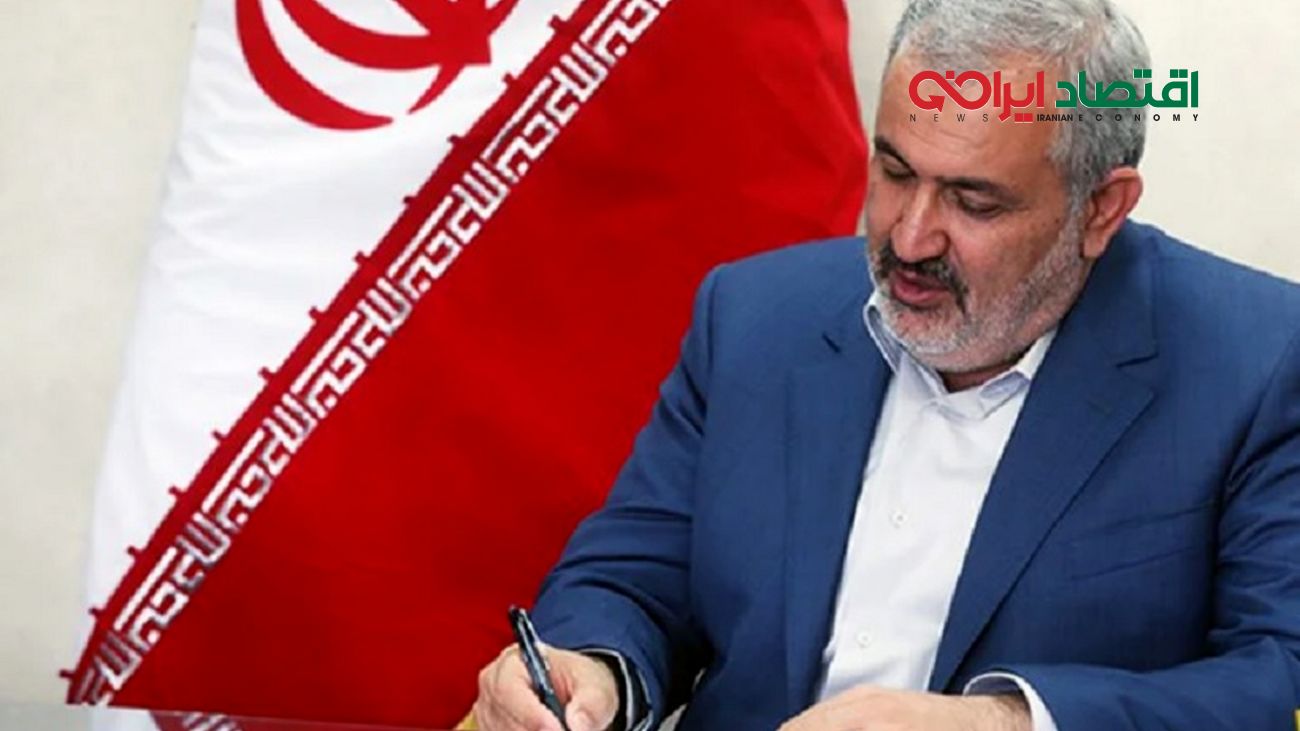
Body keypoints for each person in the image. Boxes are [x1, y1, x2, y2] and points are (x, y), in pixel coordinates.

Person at [472, 0, 1300, 728]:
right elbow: (633, 577)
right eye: (896, 172)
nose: (909, 237)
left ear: (1101, 210)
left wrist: (1002, 724)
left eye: (973, 201)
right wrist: (594, 667)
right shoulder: (756, 316)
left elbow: (1280, 675)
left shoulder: (1257, 363)